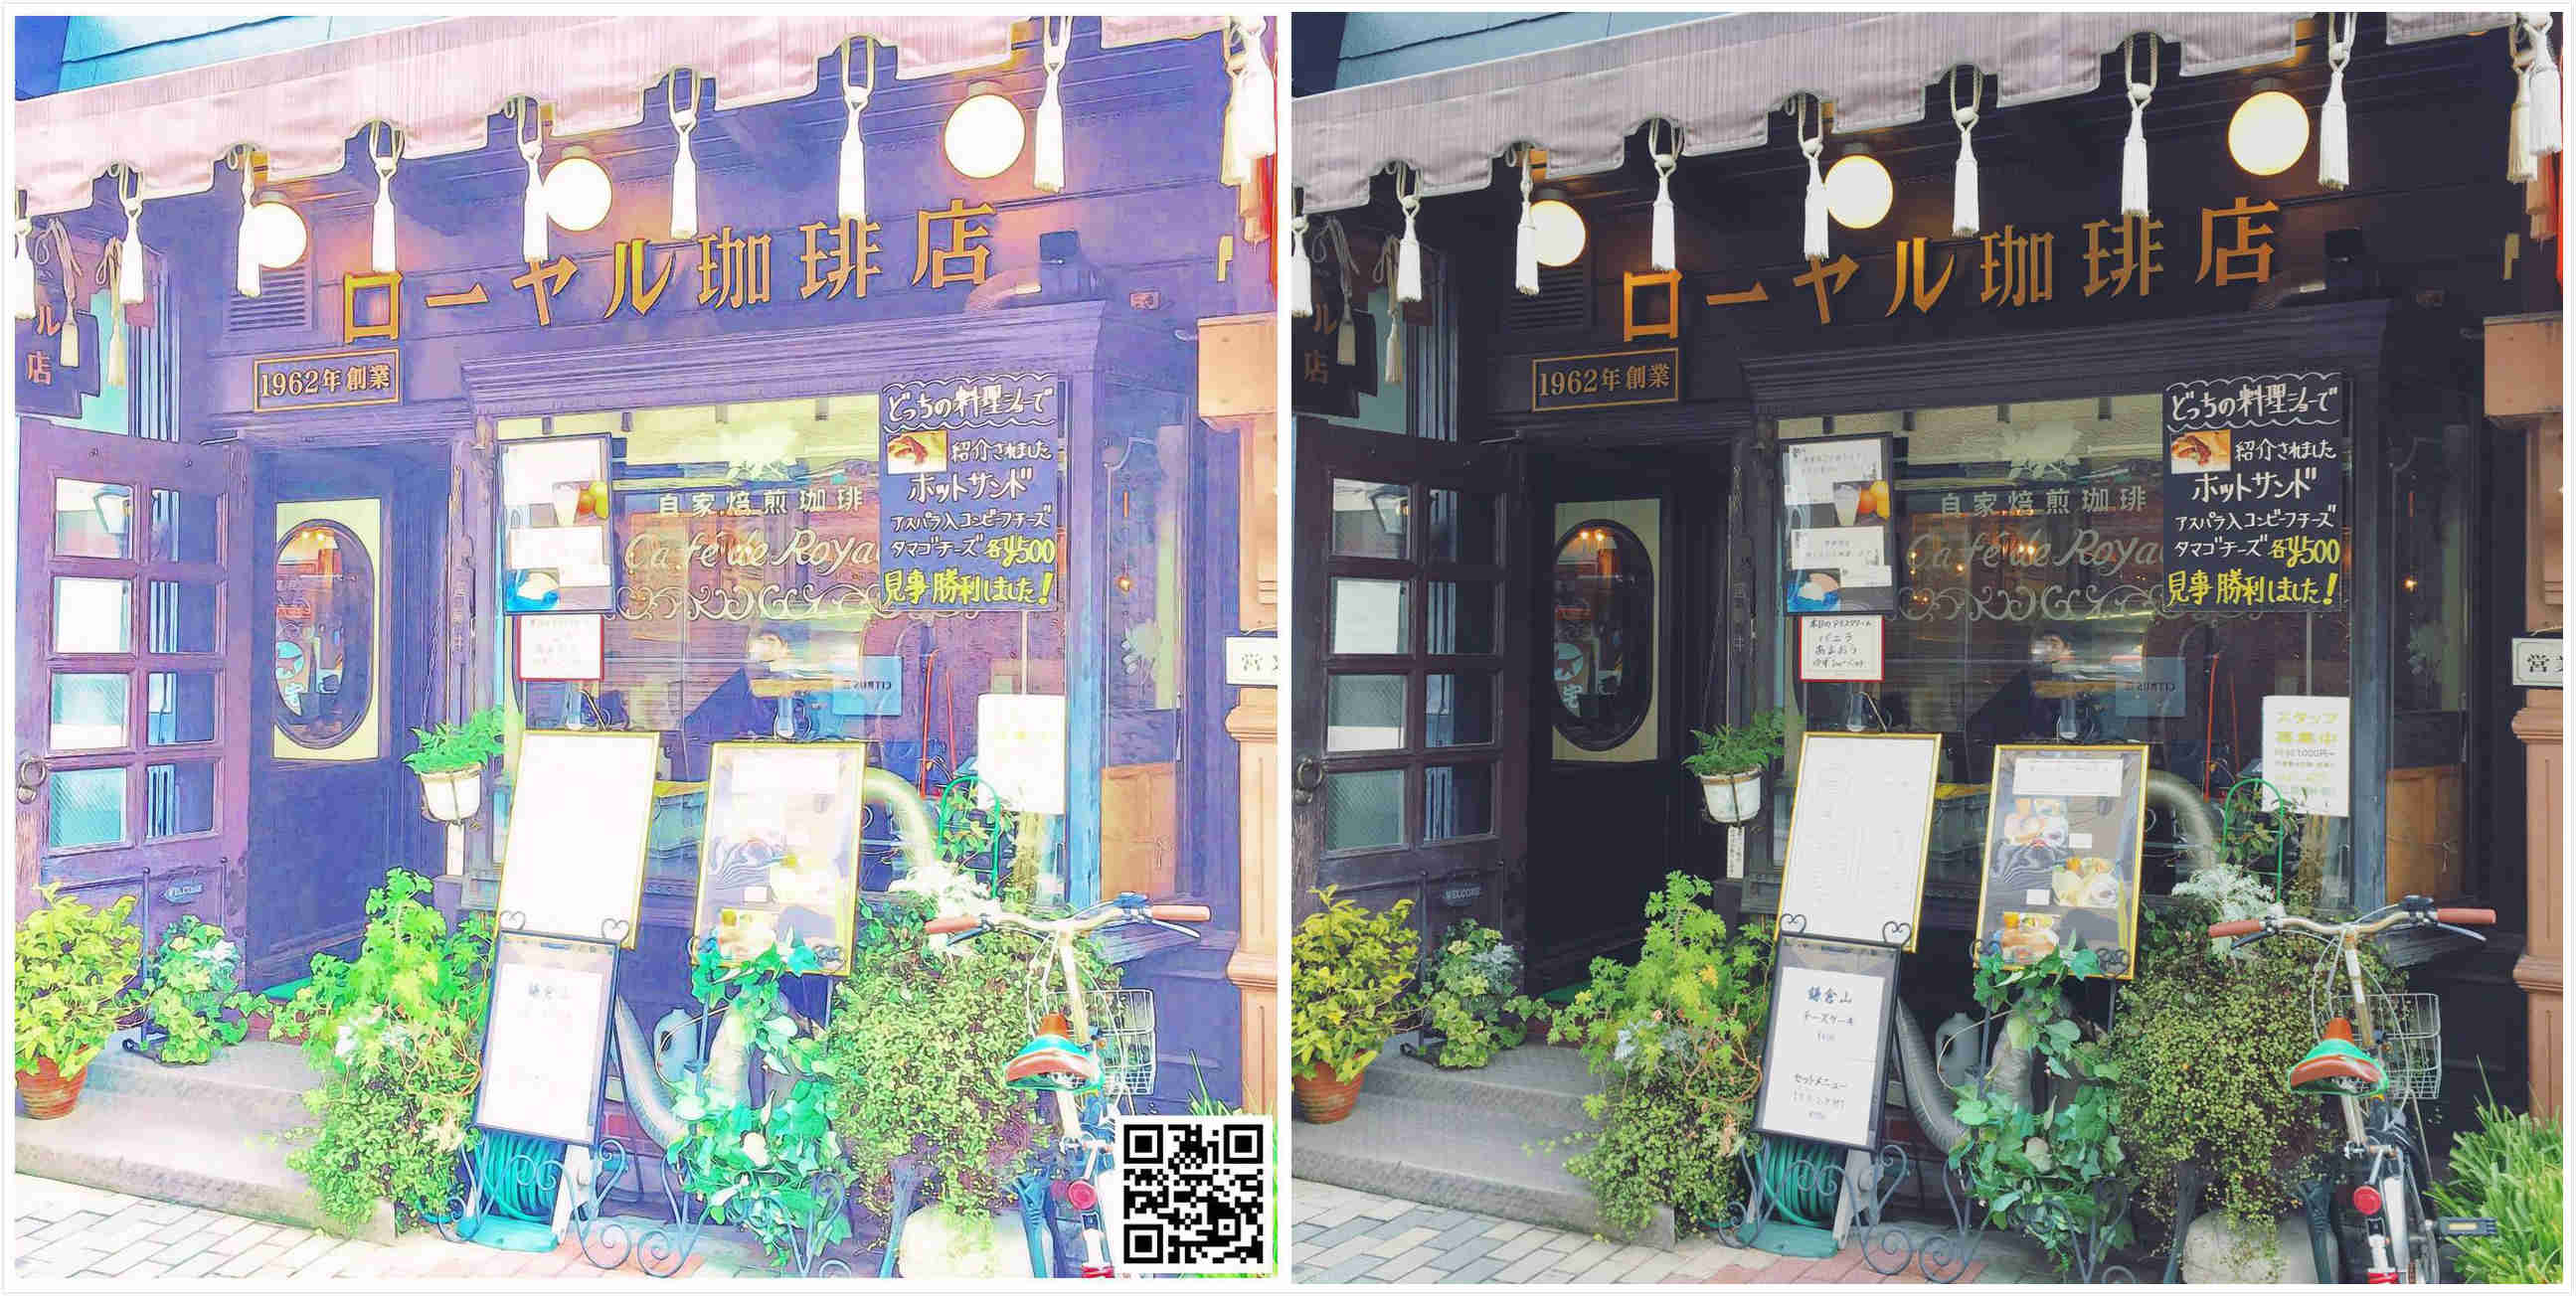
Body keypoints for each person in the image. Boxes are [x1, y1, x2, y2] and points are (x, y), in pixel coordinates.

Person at [674, 621, 791, 780]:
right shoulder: (738, 679)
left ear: (784, 648)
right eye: (761, 641)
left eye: (771, 641)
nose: (765, 646)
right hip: (728, 755)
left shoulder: (787, 681)